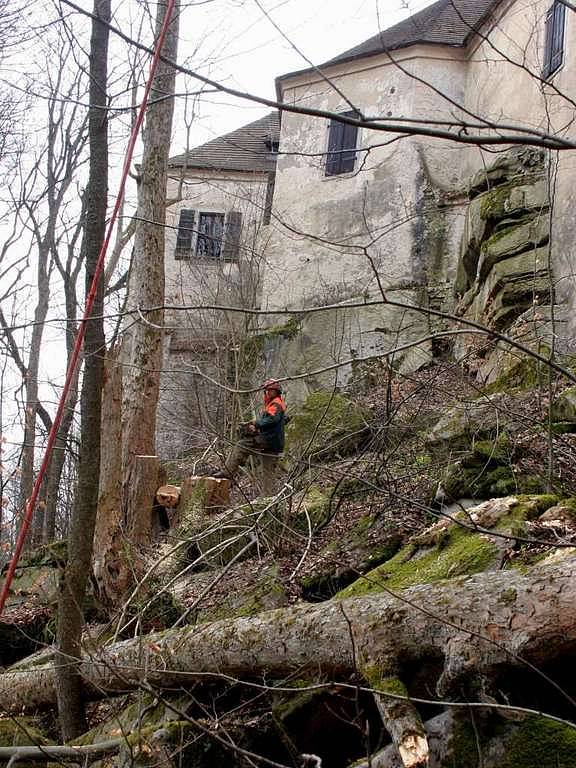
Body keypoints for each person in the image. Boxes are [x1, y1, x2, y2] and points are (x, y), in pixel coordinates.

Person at [219, 379, 287, 495]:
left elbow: (272, 419)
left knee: (242, 444)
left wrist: (256, 424)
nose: (268, 393)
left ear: (276, 391)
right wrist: (256, 427)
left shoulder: (276, 403)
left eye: (271, 391)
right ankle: (269, 499)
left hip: (269, 440)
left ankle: (228, 472)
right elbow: (274, 422)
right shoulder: (275, 403)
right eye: (267, 391)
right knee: (268, 473)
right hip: (273, 443)